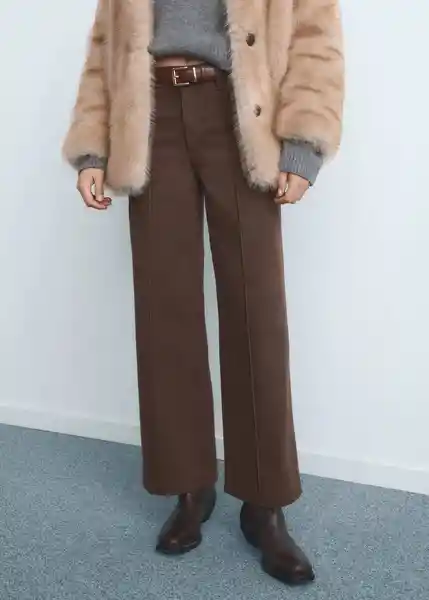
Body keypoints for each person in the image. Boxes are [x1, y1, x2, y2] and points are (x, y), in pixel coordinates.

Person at [63, 0, 344, 586]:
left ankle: (265, 504)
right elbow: (105, 43)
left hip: (240, 112)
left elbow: (315, 32)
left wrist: (304, 143)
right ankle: (189, 487)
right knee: (165, 311)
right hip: (150, 117)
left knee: (256, 314)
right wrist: (93, 147)